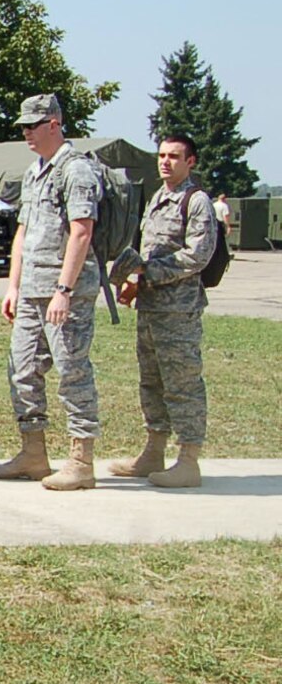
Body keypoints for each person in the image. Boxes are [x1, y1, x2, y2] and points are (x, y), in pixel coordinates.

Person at [0, 94, 102, 490]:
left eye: (32, 126)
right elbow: (22, 231)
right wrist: (13, 285)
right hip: (31, 291)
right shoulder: (35, 172)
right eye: (22, 127)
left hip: (62, 292)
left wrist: (64, 290)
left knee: (72, 370)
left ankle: (81, 460)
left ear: (55, 123)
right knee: (22, 370)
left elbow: (81, 231)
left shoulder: (76, 170)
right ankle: (33, 453)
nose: (26, 133)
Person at [106, 134, 216, 488]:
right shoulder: (157, 197)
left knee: (182, 384)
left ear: (191, 162)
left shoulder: (196, 201)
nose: (165, 162)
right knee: (151, 382)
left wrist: (146, 273)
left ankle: (188, 460)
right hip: (151, 308)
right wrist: (133, 283)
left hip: (179, 312)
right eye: (162, 155)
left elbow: (198, 255)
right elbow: (147, 248)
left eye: (174, 156)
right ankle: (153, 451)